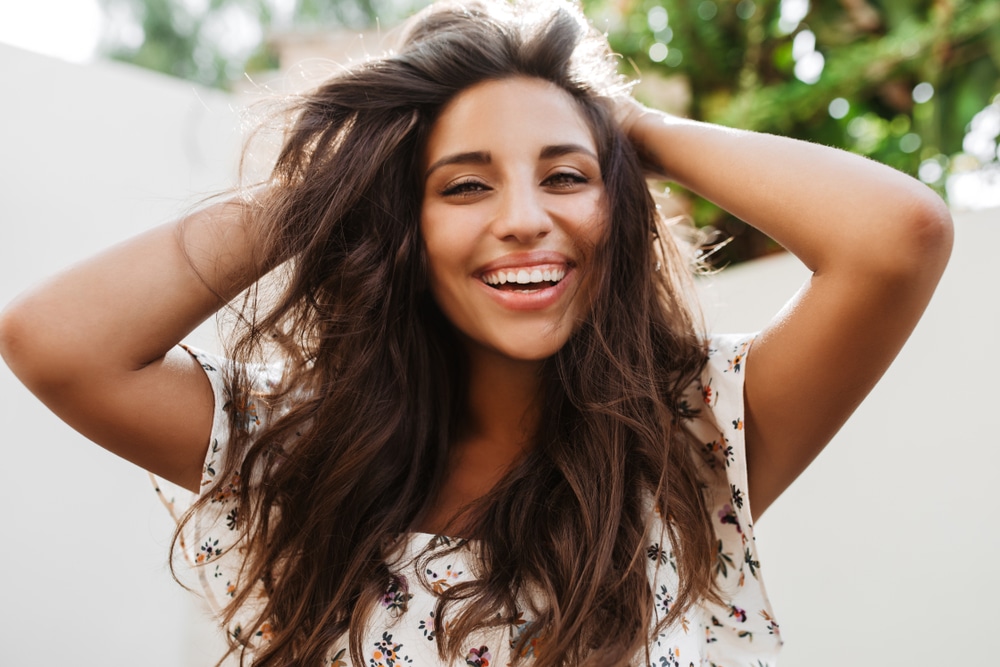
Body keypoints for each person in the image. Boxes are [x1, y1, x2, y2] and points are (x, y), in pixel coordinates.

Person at [0, 0, 952, 665]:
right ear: (401, 225)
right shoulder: (297, 451)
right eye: (465, 185)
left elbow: (899, 236)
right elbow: (53, 339)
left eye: (567, 177)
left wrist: (626, 128)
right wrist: (341, 178)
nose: (526, 218)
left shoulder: (695, 437)